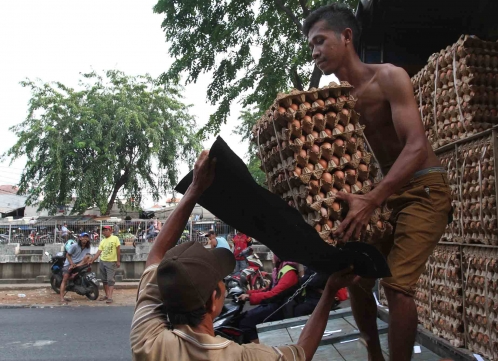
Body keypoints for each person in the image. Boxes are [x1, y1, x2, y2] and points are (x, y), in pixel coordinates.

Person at [303, 5, 453, 361]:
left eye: (320, 41)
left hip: (424, 187)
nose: (315, 52)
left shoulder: (389, 77)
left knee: (397, 287)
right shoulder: (335, 102)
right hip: (384, 193)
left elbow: (416, 147)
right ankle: (374, 352)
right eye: (311, 46)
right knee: (354, 278)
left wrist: (371, 200)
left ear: (347, 37)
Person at [130, 150, 361, 361]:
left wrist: (194, 190)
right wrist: (329, 291)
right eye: (220, 280)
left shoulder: (150, 345)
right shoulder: (244, 357)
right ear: (213, 300)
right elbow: (302, 352)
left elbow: (155, 257)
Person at [238, 255, 299, 343]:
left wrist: (250, 297)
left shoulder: (289, 272)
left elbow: (274, 294)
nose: (272, 257)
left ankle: (261, 350)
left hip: (280, 308)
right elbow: (268, 289)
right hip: (274, 304)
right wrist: (249, 293)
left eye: (273, 255)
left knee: (246, 323)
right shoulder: (280, 269)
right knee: (243, 316)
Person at [89, 225, 121, 304]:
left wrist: (118, 261)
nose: (105, 232)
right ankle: (107, 295)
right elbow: (98, 252)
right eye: (103, 231)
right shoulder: (103, 241)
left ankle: (110, 297)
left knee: (110, 280)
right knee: (104, 280)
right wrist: (93, 260)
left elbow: (118, 250)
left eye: (106, 230)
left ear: (110, 231)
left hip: (111, 262)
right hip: (102, 261)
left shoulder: (115, 238)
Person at [59, 233, 93, 304]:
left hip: (80, 264)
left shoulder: (88, 247)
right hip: (70, 263)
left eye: (87, 237)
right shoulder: (74, 246)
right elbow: (67, 255)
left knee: (88, 259)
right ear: (80, 238)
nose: (85, 239)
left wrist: (89, 260)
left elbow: (87, 256)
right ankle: (62, 298)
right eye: (83, 237)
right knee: (65, 279)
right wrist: (71, 263)